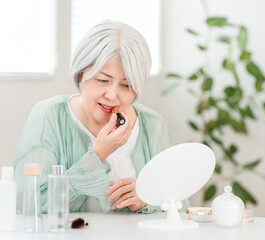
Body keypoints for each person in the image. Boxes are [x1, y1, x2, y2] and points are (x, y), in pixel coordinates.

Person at [14, 21, 189, 213]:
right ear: (81, 75)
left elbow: (180, 205)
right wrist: (97, 155)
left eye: (126, 85)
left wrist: (147, 200)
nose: (112, 96)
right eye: (103, 80)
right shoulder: (49, 117)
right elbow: (29, 206)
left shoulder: (152, 125)